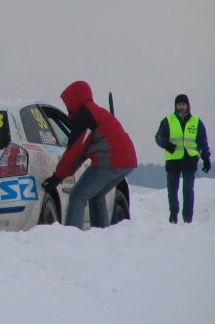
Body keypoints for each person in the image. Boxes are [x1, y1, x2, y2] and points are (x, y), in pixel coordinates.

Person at [42, 80, 137, 229]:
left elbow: (74, 151)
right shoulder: (96, 112)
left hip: (110, 161)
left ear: (75, 99)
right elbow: (81, 153)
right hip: (127, 160)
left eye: (67, 102)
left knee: (78, 195)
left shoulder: (85, 117)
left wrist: (57, 177)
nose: (66, 106)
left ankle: (72, 235)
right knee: (96, 196)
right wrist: (61, 175)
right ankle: (102, 234)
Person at [155, 94, 210, 224]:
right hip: (173, 159)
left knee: (188, 190)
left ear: (188, 106)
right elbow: (158, 137)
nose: (181, 107)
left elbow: (202, 142)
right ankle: (173, 215)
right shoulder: (168, 120)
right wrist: (167, 145)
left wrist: (206, 158)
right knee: (172, 190)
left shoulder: (196, 121)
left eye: (183, 104)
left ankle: (188, 219)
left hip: (190, 160)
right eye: (179, 105)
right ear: (175, 106)